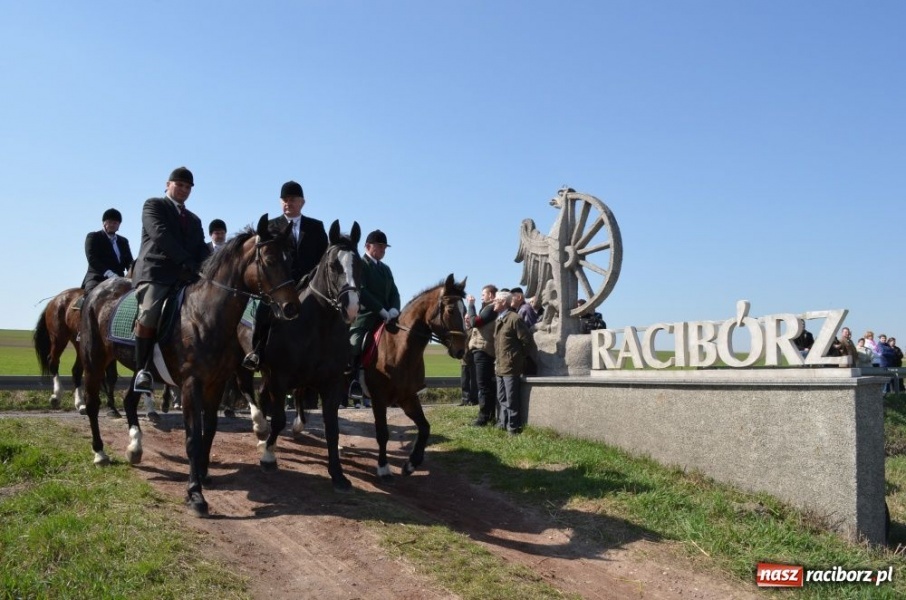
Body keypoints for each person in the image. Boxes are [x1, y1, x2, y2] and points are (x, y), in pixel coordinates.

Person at [131, 167, 210, 393]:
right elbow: (160, 235)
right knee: (150, 311)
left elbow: (200, 248)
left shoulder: (194, 219)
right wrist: (186, 259)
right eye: (180, 185)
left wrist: (212, 267)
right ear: (168, 184)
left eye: (188, 187)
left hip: (185, 277)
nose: (184, 190)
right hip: (156, 273)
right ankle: (142, 370)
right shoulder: (153, 205)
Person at [243, 180, 328, 371]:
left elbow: (324, 258)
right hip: (278, 284)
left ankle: (339, 356)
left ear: (302, 202)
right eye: (285, 200)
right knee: (261, 310)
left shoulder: (316, 227)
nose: (288, 203)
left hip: (309, 284)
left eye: (293, 199)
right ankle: (256, 350)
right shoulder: (270, 226)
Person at [347, 229, 400, 408]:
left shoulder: (386, 269)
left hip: (387, 318)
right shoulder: (360, 265)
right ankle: (353, 384)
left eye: (385, 247)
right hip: (366, 317)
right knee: (355, 344)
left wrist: (393, 309)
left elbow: (394, 291)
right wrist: (380, 310)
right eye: (380, 246)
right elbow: (362, 291)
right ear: (368, 246)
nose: (383, 249)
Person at [492, 289, 538, 435]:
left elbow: (527, 341)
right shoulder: (499, 319)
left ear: (503, 302)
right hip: (500, 365)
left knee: (511, 398)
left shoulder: (514, 319)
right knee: (501, 397)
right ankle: (502, 423)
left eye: (496, 300)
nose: (493, 302)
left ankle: (513, 427)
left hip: (510, 366)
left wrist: (516, 357)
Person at [81, 208, 134, 293]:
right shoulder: (93, 237)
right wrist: (109, 273)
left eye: (115, 223)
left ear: (119, 225)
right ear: (104, 223)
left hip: (119, 279)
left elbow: (129, 261)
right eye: (110, 222)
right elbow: (92, 258)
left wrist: (134, 270)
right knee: (90, 296)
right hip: (97, 277)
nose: (112, 225)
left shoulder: (123, 241)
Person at [467, 284, 498, 426]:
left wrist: (471, 305)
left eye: (483, 294)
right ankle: (488, 415)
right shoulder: (488, 308)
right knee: (485, 385)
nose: (481, 297)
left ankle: (484, 417)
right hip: (482, 350)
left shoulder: (491, 308)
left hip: (483, 350)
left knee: (483, 385)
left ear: (491, 295)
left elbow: (475, 322)